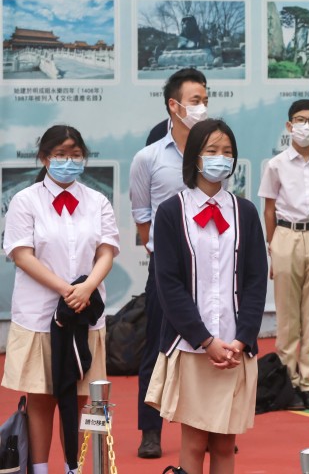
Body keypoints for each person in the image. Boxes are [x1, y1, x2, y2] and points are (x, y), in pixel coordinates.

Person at [145, 119, 268, 474]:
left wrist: (242, 339)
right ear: (194, 158)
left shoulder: (244, 211)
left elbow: (256, 280)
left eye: (227, 152)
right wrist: (205, 340)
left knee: (226, 444)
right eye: (212, 151)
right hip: (193, 347)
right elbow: (169, 284)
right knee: (195, 442)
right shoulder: (171, 211)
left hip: (235, 349)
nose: (220, 158)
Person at [1, 125, 118, 474]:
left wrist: (86, 289)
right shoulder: (26, 200)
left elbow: (107, 251)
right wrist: (66, 289)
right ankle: (38, 469)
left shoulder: (97, 201)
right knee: (40, 397)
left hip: (85, 314)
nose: (69, 161)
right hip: (38, 316)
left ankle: (78, 466)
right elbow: (22, 254)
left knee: (86, 398)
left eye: (76, 154)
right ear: (44, 157)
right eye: (61, 154)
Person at [129, 67, 208, 458]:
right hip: (166, 270)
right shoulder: (148, 157)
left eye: (205, 98)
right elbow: (141, 213)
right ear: (174, 106)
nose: (202, 106)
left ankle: (212, 426)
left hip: (210, 269)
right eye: (195, 100)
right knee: (157, 349)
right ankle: (150, 430)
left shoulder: (214, 154)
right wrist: (159, 251)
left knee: (210, 347)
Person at [258, 99, 309, 411]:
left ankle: (307, 383)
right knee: (287, 315)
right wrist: (272, 246)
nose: (305, 125)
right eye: (299, 120)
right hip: (285, 235)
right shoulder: (276, 164)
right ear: (289, 126)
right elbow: (268, 209)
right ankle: (286, 382)